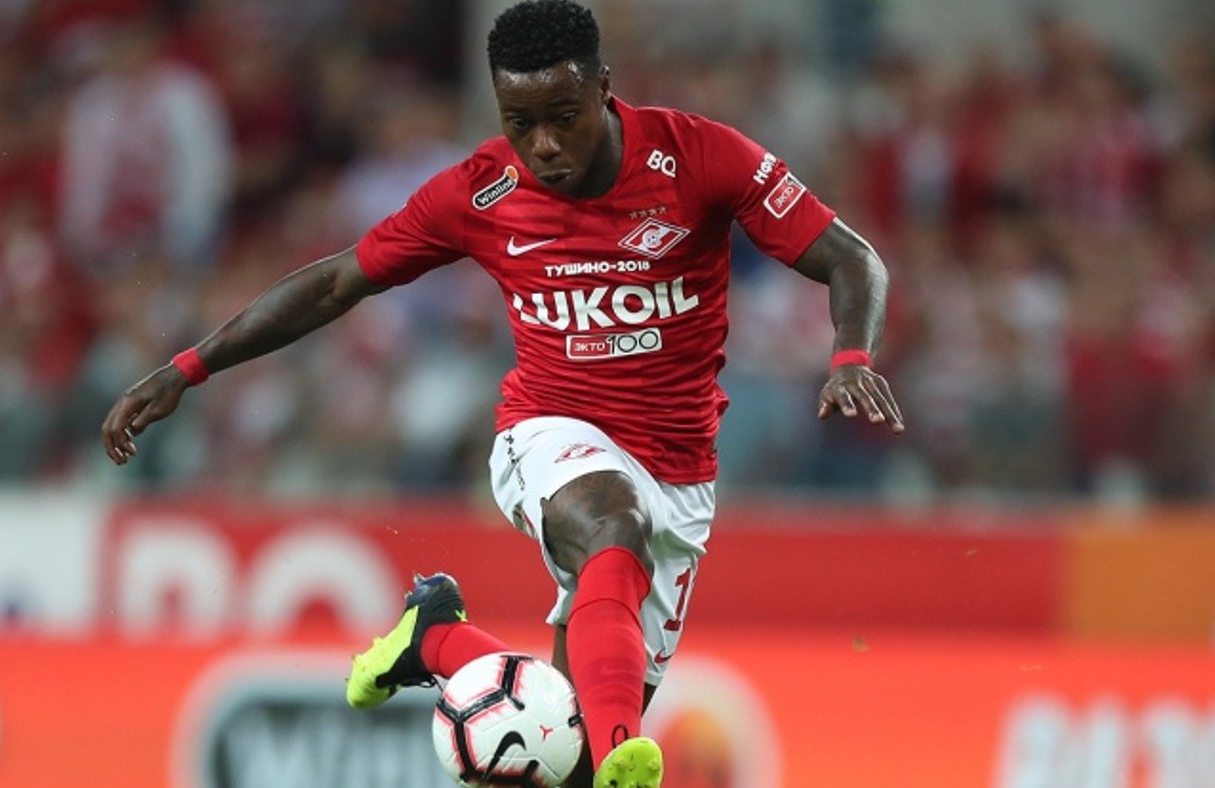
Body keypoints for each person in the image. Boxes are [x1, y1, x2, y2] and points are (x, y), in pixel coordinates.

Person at [100, 1, 904, 786]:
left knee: (567, 758)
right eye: (521, 122)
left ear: (603, 88)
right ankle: (624, 751)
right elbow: (338, 282)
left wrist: (849, 356)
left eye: (563, 117)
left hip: (680, 474)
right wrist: (189, 367)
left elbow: (852, 258)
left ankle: (437, 640)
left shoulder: (700, 157)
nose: (543, 144)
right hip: (548, 431)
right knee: (613, 522)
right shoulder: (479, 191)